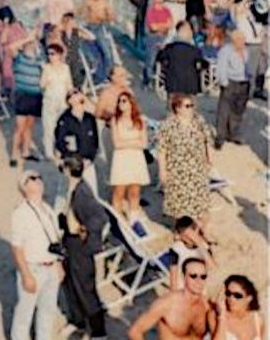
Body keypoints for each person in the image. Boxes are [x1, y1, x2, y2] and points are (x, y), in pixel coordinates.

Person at [9, 170, 65, 340]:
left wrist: (58, 264)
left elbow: (54, 239)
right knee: (24, 313)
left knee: (48, 309)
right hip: (33, 267)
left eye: (39, 177)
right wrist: (25, 274)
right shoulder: (20, 213)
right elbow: (17, 247)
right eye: (31, 179)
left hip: (49, 266)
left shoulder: (47, 209)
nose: (37, 181)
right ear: (24, 187)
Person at [58, 157, 108, 340]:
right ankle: (77, 321)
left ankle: (98, 331)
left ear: (68, 171)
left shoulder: (82, 193)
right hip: (70, 242)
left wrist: (85, 230)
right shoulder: (74, 188)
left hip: (80, 246)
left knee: (85, 288)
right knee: (70, 284)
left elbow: (99, 217)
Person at [156, 94, 214, 240]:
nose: (191, 109)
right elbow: (162, 150)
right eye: (187, 106)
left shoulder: (198, 121)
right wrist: (162, 171)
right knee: (179, 203)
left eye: (192, 105)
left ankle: (204, 229)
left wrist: (210, 160)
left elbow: (207, 141)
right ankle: (179, 230)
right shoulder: (168, 125)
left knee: (201, 201)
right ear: (177, 108)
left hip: (197, 167)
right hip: (177, 169)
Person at [108, 91, 150, 223]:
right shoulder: (115, 120)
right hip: (121, 159)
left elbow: (144, 143)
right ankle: (117, 219)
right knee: (119, 191)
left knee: (134, 191)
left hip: (136, 158)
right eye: (119, 101)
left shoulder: (140, 120)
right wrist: (134, 142)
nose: (121, 104)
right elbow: (116, 143)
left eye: (124, 101)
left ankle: (133, 218)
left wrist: (128, 143)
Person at [53, 88, 100, 195]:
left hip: (87, 162)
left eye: (78, 92)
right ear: (69, 100)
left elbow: (95, 142)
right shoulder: (64, 120)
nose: (77, 95)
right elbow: (60, 142)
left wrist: (90, 159)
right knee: (68, 193)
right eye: (73, 94)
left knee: (91, 192)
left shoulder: (90, 118)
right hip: (72, 164)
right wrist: (72, 161)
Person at [10, 33, 44, 166]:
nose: (31, 46)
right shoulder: (19, 58)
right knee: (19, 127)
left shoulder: (39, 59)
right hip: (22, 95)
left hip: (35, 95)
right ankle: (13, 155)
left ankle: (25, 151)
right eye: (28, 45)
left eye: (32, 44)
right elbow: (11, 48)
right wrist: (27, 38)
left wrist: (35, 40)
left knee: (29, 126)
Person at [215, 29, 249, 148]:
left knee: (238, 110)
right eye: (241, 40)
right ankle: (220, 136)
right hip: (231, 82)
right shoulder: (226, 51)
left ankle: (234, 133)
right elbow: (221, 68)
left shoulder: (245, 51)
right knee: (224, 111)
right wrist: (224, 83)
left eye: (244, 40)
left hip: (243, 82)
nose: (243, 43)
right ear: (234, 40)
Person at [168, 216, 216, 291]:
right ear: (180, 236)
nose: (190, 238)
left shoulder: (204, 247)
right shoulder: (177, 249)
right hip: (182, 289)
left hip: (199, 289)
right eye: (186, 236)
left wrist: (198, 242)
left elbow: (212, 267)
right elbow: (173, 278)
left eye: (191, 235)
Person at [40, 43, 73, 143]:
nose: (50, 56)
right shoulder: (46, 68)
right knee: (49, 127)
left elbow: (69, 84)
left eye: (52, 54)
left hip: (63, 100)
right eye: (48, 54)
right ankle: (49, 152)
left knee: (63, 126)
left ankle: (60, 149)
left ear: (59, 55)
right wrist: (47, 79)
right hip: (50, 100)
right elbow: (42, 85)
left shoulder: (66, 68)